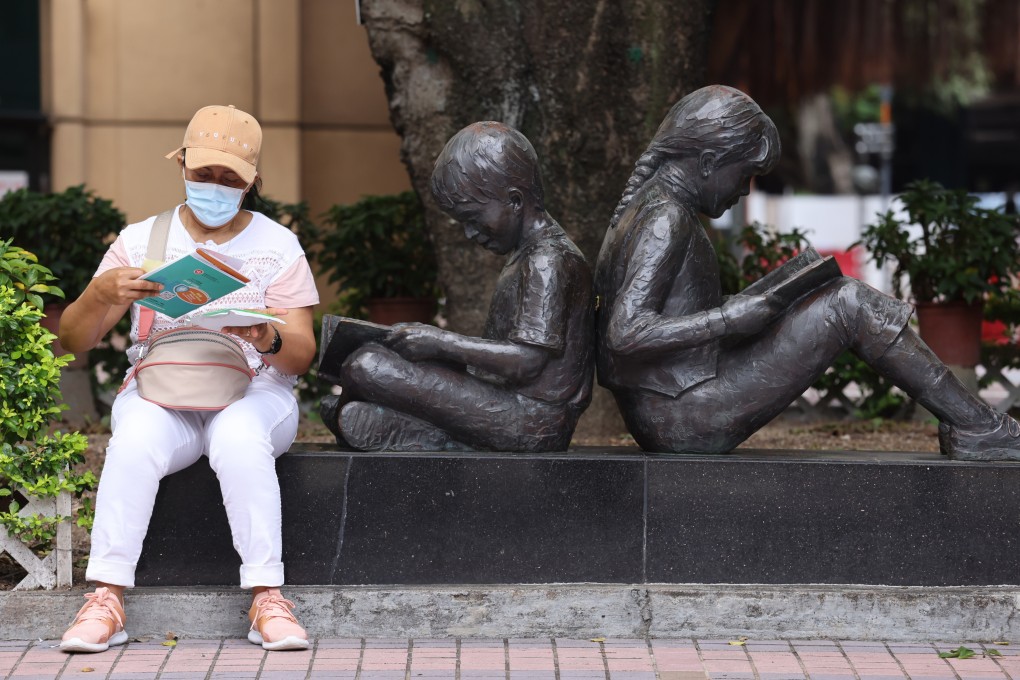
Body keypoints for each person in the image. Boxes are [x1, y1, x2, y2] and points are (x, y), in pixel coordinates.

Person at [595, 84, 1020, 459]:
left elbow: (666, 316)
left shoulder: (648, 209)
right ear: (708, 161)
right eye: (744, 175)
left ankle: (975, 422)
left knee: (826, 292)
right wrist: (729, 317)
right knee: (848, 304)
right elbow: (625, 332)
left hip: (673, 400)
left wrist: (752, 305)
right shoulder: (665, 217)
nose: (744, 191)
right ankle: (978, 426)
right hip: (682, 412)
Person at [57, 105, 319, 652]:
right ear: (181, 165)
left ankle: (267, 597)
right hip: (163, 388)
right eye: (204, 174)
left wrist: (264, 336)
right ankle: (105, 598)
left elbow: (300, 356)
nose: (215, 187)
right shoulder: (139, 240)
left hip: (253, 389)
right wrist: (101, 293)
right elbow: (74, 342)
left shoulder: (277, 245)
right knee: (133, 443)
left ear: (251, 184)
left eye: (230, 179)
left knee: (239, 438)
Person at [324, 121, 594, 452]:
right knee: (366, 365)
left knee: (365, 365)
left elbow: (527, 361)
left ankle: (430, 436)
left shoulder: (548, 260)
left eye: (473, 218)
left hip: (534, 420)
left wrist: (441, 343)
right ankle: (417, 431)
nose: (470, 233)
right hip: (507, 404)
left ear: (514, 201)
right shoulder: (529, 256)